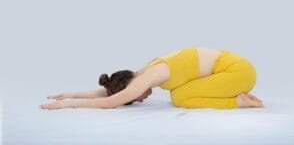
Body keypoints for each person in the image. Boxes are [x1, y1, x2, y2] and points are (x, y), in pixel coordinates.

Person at [40, 46, 263, 110]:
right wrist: (69, 93)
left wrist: (69, 104)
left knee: (180, 98)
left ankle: (237, 101)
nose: (140, 98)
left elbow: (110, 101)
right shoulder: (145, 71)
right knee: (179, 94)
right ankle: (235, 95)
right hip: (235, 70)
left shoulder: (150, 76)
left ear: (131, 86)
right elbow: (111, 92)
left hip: (238, 73)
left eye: (135, 97)